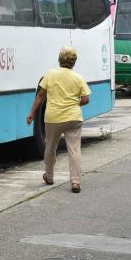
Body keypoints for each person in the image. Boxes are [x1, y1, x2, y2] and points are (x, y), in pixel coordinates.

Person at [27, 46, 91, 193]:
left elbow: (41, 96)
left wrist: (32, 113)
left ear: (59, 59)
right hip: (74, 118)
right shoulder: (78, 78)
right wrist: (77, 103)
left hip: (53, 118)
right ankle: (75, 182)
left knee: (50, 147)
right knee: (74, 150)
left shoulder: (50, 74)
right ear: (74, 62)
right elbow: (86, 99)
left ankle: (49, 176)